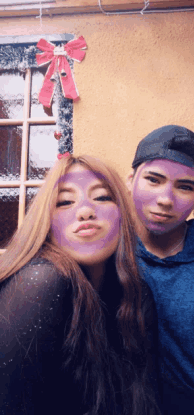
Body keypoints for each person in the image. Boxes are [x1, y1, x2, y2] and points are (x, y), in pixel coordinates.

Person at [0, 154, 161, 415]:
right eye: (65, 201)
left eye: (102, 197)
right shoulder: (40, 284)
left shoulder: (138, 297)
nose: (85, 210)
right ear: (46, 222)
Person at [126, 125, 194, 414]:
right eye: (154, 180)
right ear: (130, 180)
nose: (166, 199)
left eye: (185, 186)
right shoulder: (104, 253)